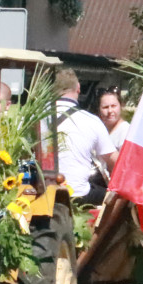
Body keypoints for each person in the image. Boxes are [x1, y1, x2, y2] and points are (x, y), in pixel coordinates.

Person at [55, 68, 117, 205]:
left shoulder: (37, 118)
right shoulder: (91, 121)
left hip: (45, 193)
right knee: (120, 201)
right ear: (78, 88)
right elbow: (114, 161)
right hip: (79, 194)